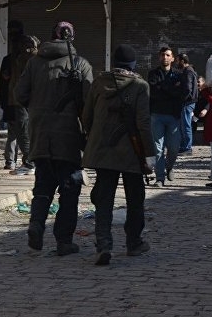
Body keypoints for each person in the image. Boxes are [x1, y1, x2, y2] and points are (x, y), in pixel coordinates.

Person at [15, 21, 93, 256]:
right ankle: (63, 241)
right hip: (69, 138)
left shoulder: (34, 63)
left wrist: (38, 108)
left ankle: (36, 225)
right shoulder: (80, 64)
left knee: (42, 187)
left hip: (40, 135)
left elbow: (19, 94)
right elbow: (89, 102)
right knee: (69, 191)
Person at [82, 44, 156, 265]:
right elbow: (143, 123)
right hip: (132, 153)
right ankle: (134, 242)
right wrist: (150, 154)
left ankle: (103, 244)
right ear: (133, 65)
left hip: (103, 151)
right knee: (135, 198)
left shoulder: (98, 83)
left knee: (103, 200)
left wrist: (93, 137)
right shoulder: (140, 86)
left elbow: (87, 116)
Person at [147, 47, 189, 187]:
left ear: (172, 58)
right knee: (158, 148)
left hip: (173, 115)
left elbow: (181, 92)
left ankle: (169, 166)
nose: (165, 57)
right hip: (157, 114)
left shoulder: (178, 75)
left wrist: (164, 88)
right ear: (159, 57)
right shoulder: (153, 74)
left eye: (168, 55)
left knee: (174, 147)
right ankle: (160, 178)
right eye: (162, 55)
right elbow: (154, 92)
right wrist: (171, 89)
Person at [7, 35, 39, 175]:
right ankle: (30, 161)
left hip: (23, 101)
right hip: (22, 100)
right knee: (23, 131)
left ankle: (29, 163)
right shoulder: (25, 58)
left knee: (23, 132)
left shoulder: (28, 58)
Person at [0, 20, 26, 170]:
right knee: (21, 133)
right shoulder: (27, 61)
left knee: (14, 133)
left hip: (12, 102)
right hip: (18, 103)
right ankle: (23, 161)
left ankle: (11, 161)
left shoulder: (9, 60)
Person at [176, 53, 199, 154]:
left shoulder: (188, 72)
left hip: (187, 103)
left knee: (186, 125)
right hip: (188, 102)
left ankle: (187, 147)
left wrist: (183, 99)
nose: (176, 62)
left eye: (177, 60)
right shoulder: (188, 71)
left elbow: (188, 89)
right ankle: (184, 146)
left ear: (182, 61)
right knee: (184, 125)